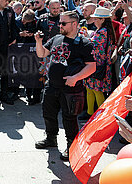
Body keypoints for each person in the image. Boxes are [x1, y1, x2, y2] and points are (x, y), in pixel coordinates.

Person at [34, 11, 96, 161]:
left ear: (74, 24)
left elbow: (92, 67)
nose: (59, 25)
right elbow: (42, 54)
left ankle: (71, 147)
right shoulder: (56, 38)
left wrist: (75, 78)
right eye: (59, 23)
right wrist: (38, 41)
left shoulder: (84, 43)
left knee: (69, 118)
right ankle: (51, 139)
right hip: (52, 85)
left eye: (63, 23)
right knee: (48, 113)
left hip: (71, 88)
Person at [80, 7, 116, 120]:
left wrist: (84, 38)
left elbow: (92, 44)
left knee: (96, 90)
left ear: (102, 19)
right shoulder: (103, 30)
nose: (94, 21)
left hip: (98, 65)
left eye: (96, 19)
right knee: (90, 88)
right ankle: (91, 113)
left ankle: (101, 115)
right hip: (97, 64)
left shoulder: (103, 31)